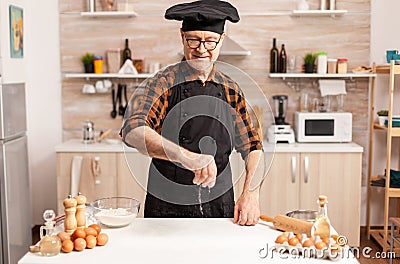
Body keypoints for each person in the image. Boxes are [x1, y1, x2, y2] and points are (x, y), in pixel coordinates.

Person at [121, 0, 264, 226]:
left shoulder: (230, 90)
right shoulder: (163, 82)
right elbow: (133, 131)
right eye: (194, 39)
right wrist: (186, 156)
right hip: (167, 210)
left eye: (210, 41)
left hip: (221, 208)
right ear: (182, 37)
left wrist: (251, 193)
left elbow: (253, 146)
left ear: (221, 41)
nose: (201, 49)